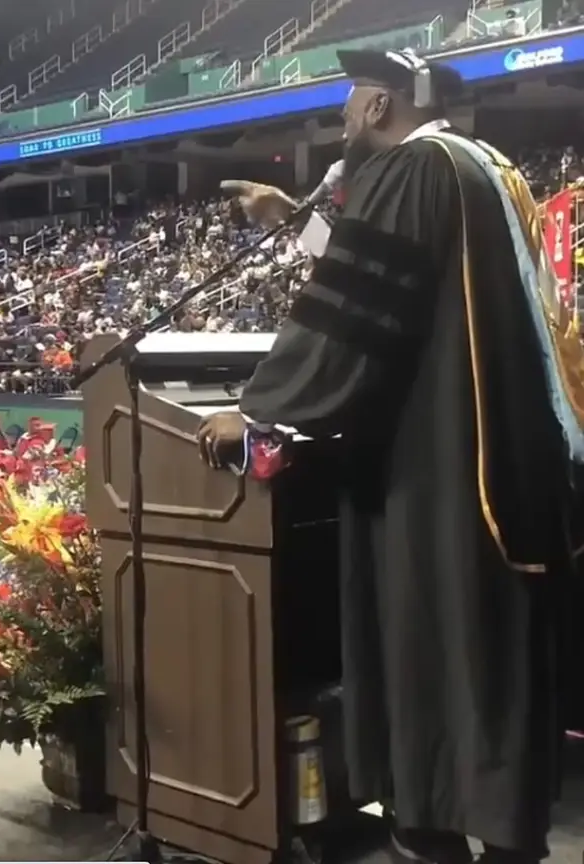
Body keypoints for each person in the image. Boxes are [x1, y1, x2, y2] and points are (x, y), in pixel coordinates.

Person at [197, 48, 584, 864]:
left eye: (347, 105)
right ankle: (509, 830)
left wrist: (258, 407)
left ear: (378, 108)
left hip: (434, 464)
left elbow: (359, 316)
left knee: (436, 642)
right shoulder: (484, 167)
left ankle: (432, 825)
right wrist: (289, 218)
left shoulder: (410, 171)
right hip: (504, 459)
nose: (342, 119)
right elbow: (387, 272)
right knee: (492, 647)